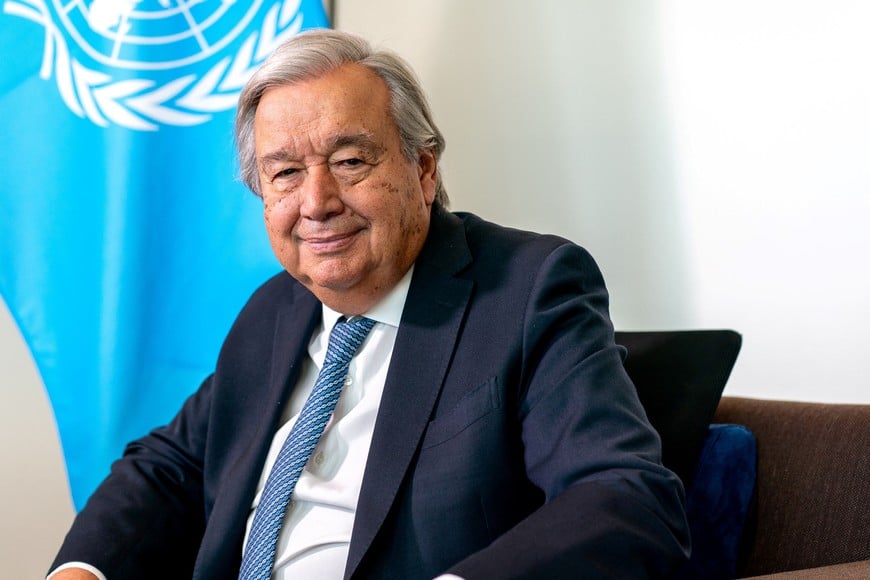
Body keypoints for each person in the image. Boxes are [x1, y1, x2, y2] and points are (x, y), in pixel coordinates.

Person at [49, 29, 690, 579]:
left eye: (350, 160)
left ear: (424, 169)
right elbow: (169, 467)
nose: (317, 202)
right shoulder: (274, 310)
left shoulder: (529, 290)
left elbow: (624, 496)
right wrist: (82, 569)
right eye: (285, 174)